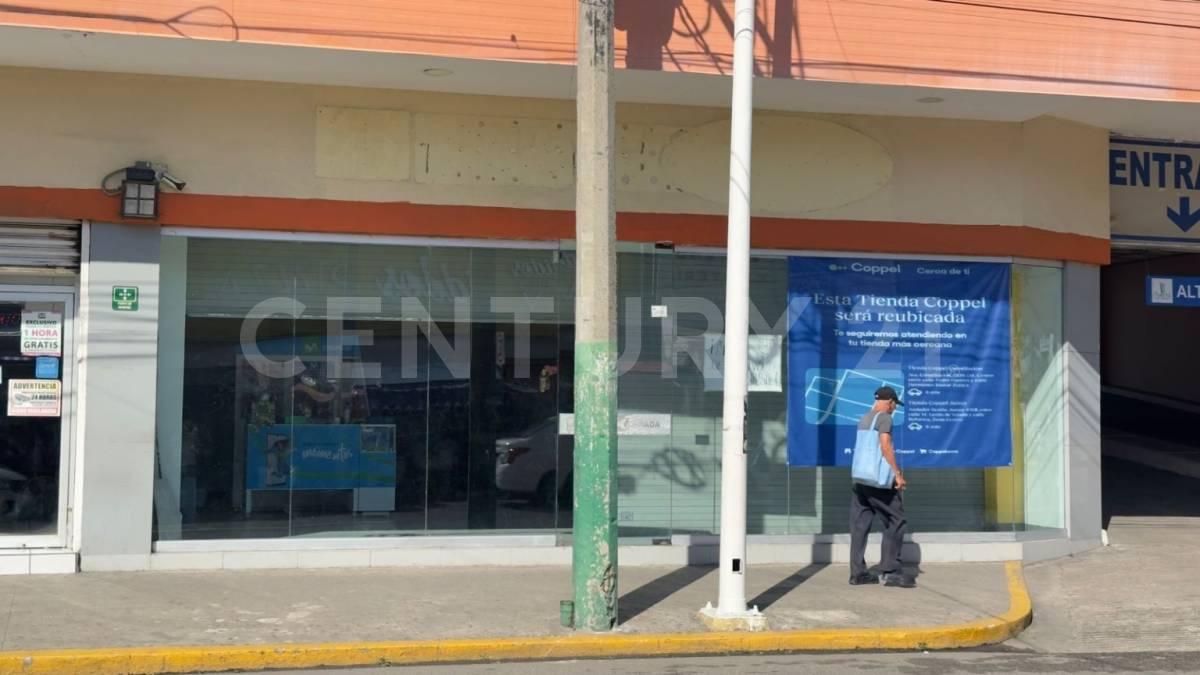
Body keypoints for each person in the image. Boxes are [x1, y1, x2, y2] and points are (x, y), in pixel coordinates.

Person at [848, 386, 916, 588]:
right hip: (878, 481)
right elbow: (885, 446)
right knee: (896, 520)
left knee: (859, 526)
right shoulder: (885, 418)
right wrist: (897, 474)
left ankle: (858, 573)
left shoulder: (864, 418)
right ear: (890, 402)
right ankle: (891, 572)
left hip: (860, 479)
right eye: (895, 405)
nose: (895, 409)